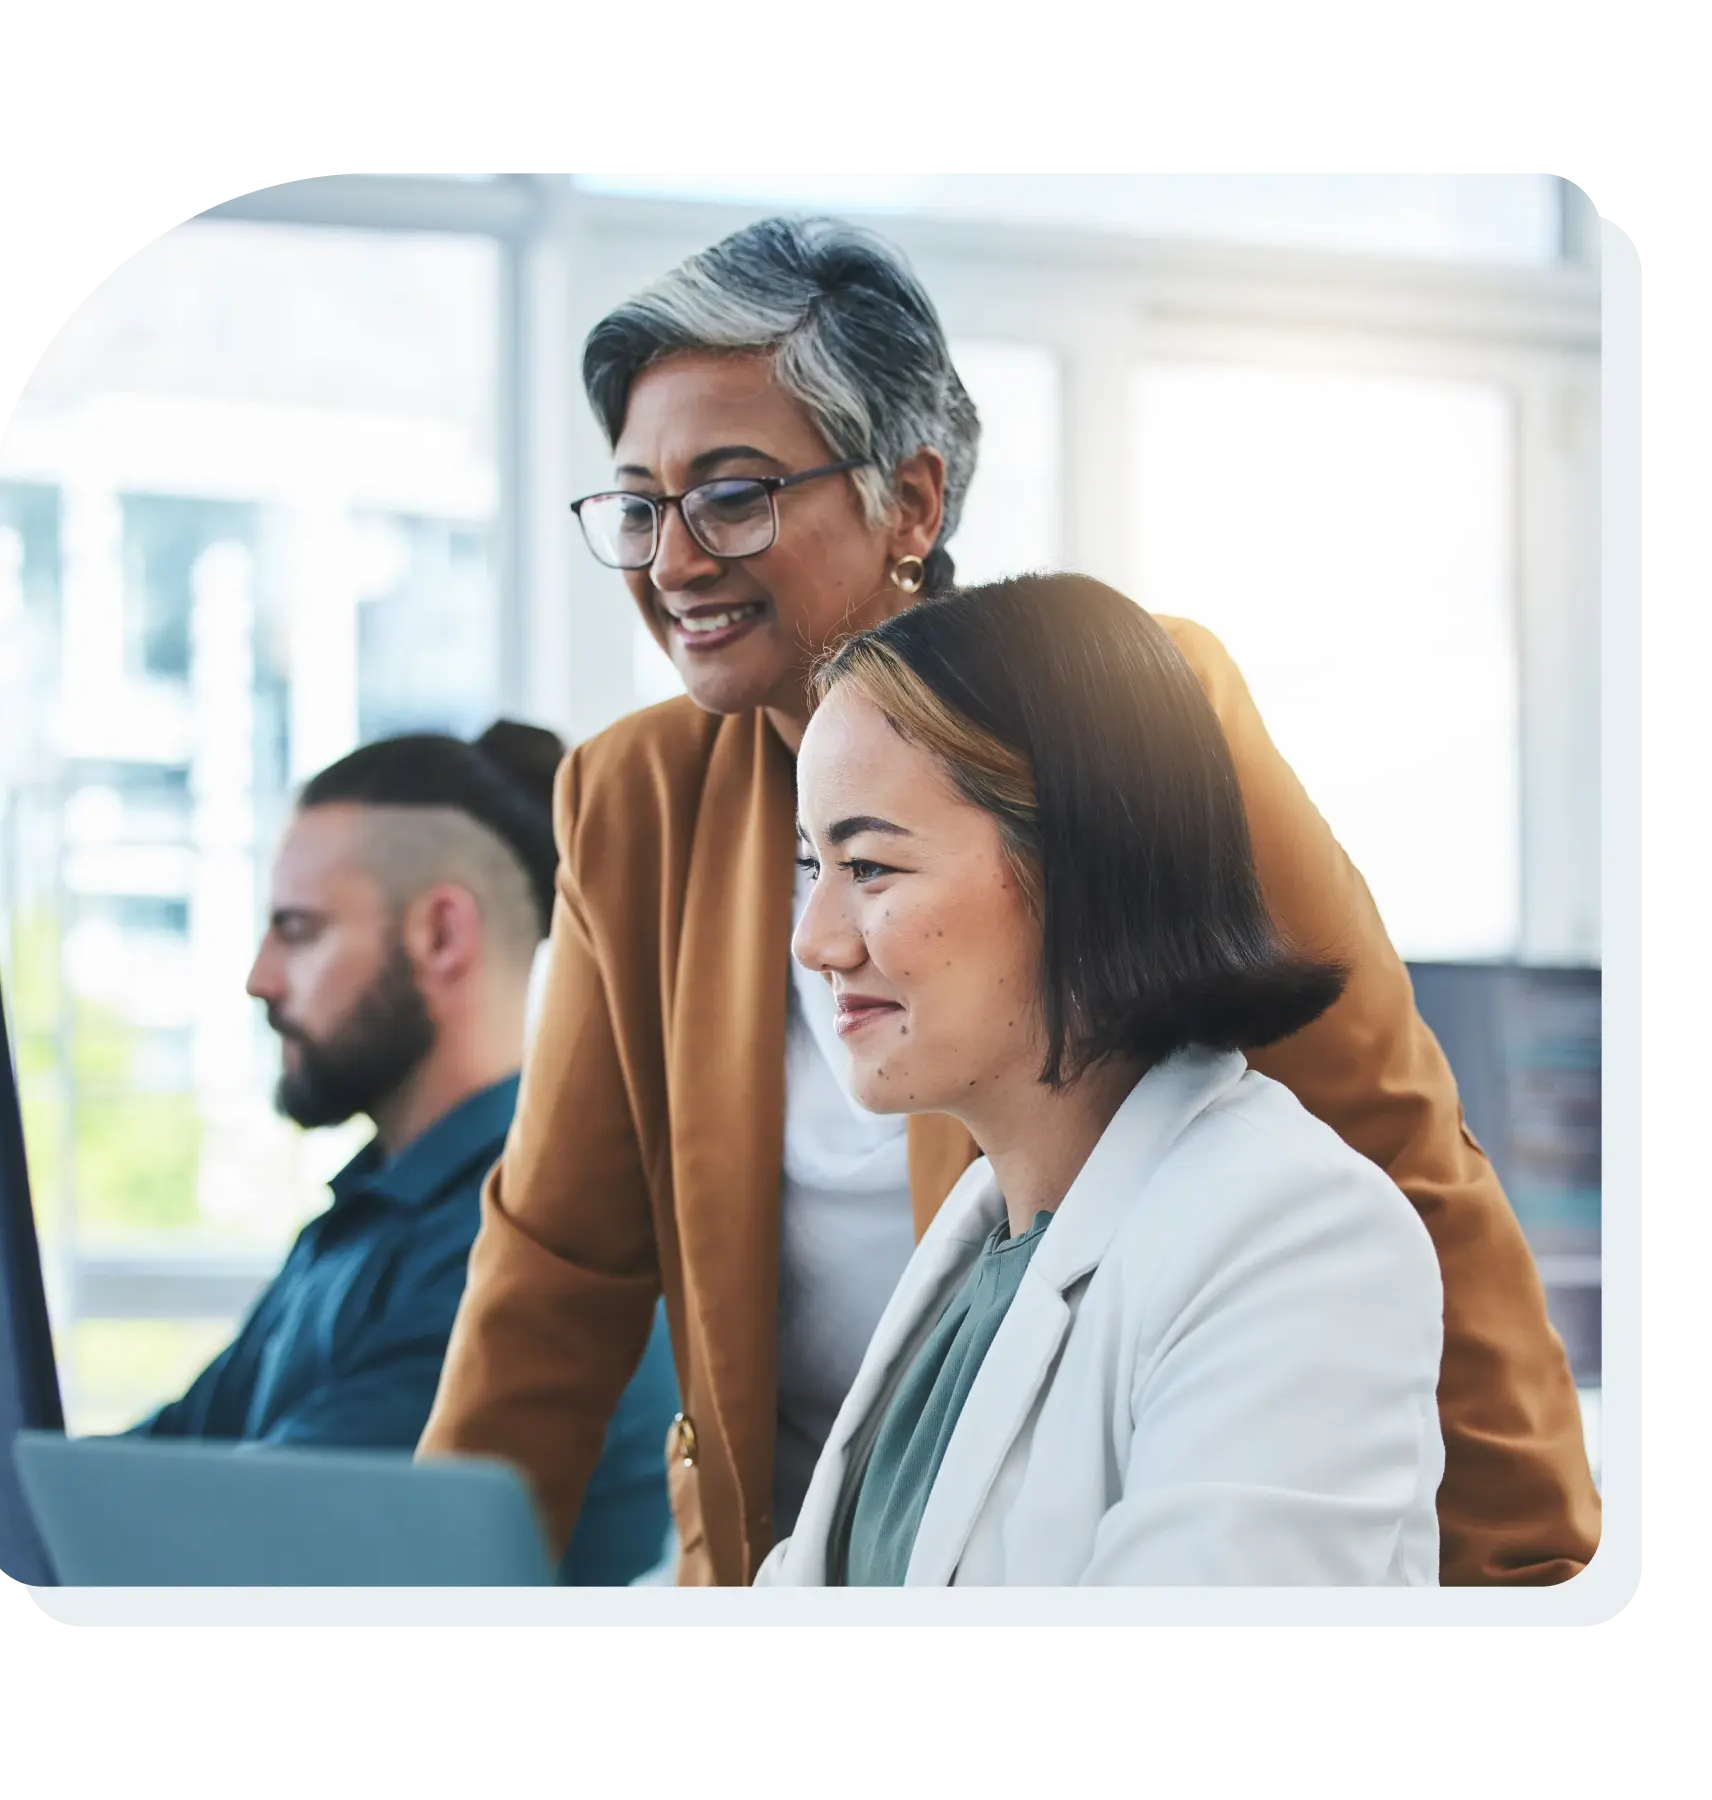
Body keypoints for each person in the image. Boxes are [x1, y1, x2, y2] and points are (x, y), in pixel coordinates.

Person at [419, 217, 1599, 1586]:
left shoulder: (1121, 719)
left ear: (909, 503)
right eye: (638, 505)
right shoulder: (638, 799)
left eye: (731, 495)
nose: (672, 560)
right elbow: (554, 1275)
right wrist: (430, 1588)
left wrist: (1528, 1575)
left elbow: (1388, 1148)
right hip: (813, 1542)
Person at [759, 574, 1443, 1585]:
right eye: (815, 869)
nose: (814, 944)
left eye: (870, 869)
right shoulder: (986, 1243)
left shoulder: (1298, 1238)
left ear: (1082, 866)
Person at [127, 722, 679, 1586]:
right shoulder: (365, 1219)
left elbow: (230, 1554)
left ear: (440, 935)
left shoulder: (522, 1242)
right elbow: (151, 1470)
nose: (259, 978)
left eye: (298, 931)